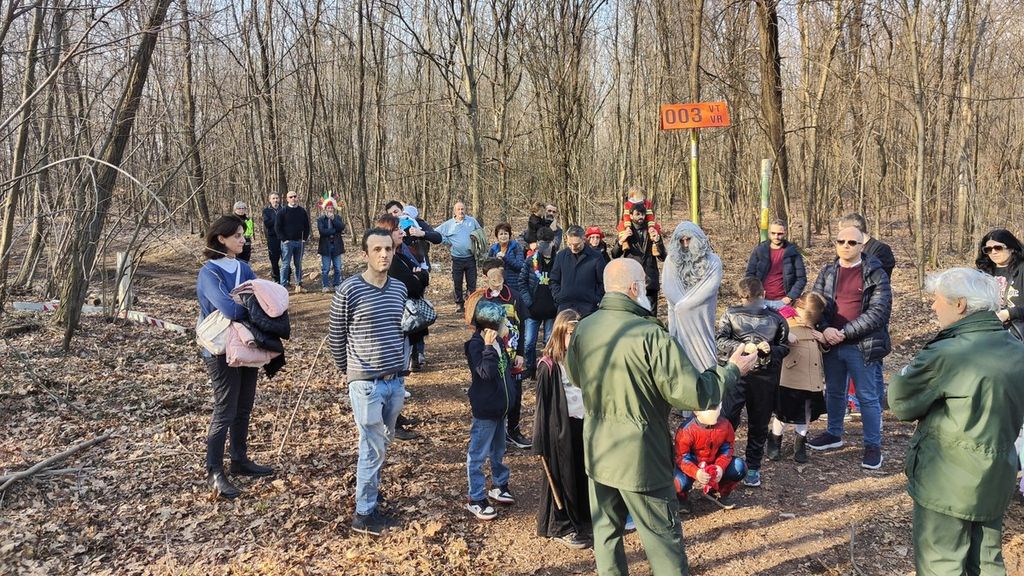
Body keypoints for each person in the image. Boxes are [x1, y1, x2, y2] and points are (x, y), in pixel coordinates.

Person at [565, 257, 756, 575]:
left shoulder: (585, 327)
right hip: (640, 455)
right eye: (643, 284)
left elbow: (575, 375)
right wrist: (732, 369)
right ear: (634, 288)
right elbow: (695, 393)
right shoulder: (650, 335)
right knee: (663, 539)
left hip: (598, 449)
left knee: (606, 534)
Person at [889, 267, 1024, 576]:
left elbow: (901, 403)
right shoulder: (1018, 350)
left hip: (946, 480)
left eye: (938, 299)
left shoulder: (947, 353)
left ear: (960, 304)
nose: (933, 306)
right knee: (987, 561)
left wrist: (907, 372)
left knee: (942, 563)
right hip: (997, 474)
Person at [328, 228, 408, 536]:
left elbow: (400, 329)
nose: (384, 254)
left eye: (388, 249)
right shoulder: (349, 290)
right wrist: (352, 373)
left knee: (381, 442)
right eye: (377, 249)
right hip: (366, 384)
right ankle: (364, 514)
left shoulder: (399, 288)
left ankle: (370, 490)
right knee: (372, 447)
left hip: (395, 382)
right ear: (365, 254)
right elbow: (336, 337)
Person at [196, 215, 273, 500]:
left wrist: (251, 305)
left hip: (246, 344)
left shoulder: (244, 267)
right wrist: (251, 306)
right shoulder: (209, 272)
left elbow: (264, 300)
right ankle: (214, 471)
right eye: (237, 235)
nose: (243, 239)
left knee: (244, 405)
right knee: (225, 408)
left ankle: (239, 459)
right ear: (221, 239)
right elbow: (229, 309)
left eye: (243, 234)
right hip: (219, 349)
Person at [806, 225, 892, 470]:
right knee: (834, 391)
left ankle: (873, 446)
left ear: (862, 245)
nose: (845, 245)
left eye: (852, 242)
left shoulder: (875, 273)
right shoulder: (827, 272)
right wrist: (825, 329)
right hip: (831, 344)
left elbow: (879, 312)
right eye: (841, 241)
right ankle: (834, 433)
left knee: (867, 396)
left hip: (862, 345)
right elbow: (816, 304)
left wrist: (844, 333)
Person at [716, 277, 789, 488]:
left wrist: (770, 349)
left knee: (758, 422)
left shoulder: (776, 319)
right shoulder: (731, 314)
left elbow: (784, 347)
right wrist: (741, 347)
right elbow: (720, 340)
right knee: (728, 420)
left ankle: (753, 467)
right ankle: (723, 463)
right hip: (736, 374)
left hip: (763, 377)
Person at [532, 309, 591, 548]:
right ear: (559, 333)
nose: (573, 339)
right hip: (559, 431)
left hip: (582, 424)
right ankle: (561, 525)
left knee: (580, 473)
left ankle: (582, 518)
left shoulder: (582, 360)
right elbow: (542, 407)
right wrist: (540, 442)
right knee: (561, 477)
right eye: (569, 334)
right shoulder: (548, 366)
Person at [374, 214, 427, 440]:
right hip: (395, 325)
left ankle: (395, 416)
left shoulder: (401, 255)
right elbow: (412, 285)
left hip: (404, 325)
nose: (402, 233)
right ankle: (390, 423)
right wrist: (419, 277)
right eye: (397, 230)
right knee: (392, 374)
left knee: (399, 374)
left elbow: (421, 276)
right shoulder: (391, 263)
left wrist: (420, 276)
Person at [464, 299, 517, 521]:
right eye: (504, 322)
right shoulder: (476, 346)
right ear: (491, 328)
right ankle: (475, 498)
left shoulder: (499, 343)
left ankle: (499, 484)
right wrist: (487, 348)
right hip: (486, 411)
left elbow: (503, 370)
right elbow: (485, 373)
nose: (507, 325)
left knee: (498, 450)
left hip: (500, 409)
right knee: (478, 454)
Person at [838, 213, 895, 418]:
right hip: (849, 316)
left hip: (871, 317)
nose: (844, 243)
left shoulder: (881, 250)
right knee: (848, 361)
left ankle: (873, 406)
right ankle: (851, 402)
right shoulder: (850, 251)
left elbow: (867, 277)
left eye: (847, 235)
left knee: (872, 361)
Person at [766, 292, 828, 464]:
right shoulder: (784, 321)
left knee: (806, 412)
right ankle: (774, 439)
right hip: (790, 380)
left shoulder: (815, 327)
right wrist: (785, 336)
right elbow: (770, 341)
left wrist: (823, 341)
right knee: (783, 414)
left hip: (812, 380)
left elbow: (820, 349)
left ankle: (800, 443)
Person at [479, 257, 530, 448]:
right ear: (486, 277)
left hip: (513, 354)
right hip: (494, 356)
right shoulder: (483, 300)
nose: (496, 279)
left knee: (515, 393)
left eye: (500, 273)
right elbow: (479, 331)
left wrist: (521, 353)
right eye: (492, 275)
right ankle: (497, 434)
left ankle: (513, 431)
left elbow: (522, 326)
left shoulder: (514, 297)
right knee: (497, 394)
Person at [662, 221, 722, 372]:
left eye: (688, 239)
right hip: (677, 316)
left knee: (704, 358)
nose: (685, 244)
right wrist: (681, 307)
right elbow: (669, 288)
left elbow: (708, 288)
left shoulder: (713, 261)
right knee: (680, 359)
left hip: (701, 314)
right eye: (681, 241)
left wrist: (684, 306)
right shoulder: (671, 260)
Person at [672, 406, 747, 513]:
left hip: (714, 463)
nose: (715, 412)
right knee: (679, 481)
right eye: (709, 409)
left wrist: (720, 467)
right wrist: (696, 472)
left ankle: (717, 491)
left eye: (716, 407)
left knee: (739, 467)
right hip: (692, 465)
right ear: (696, 411)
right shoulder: (686, 430)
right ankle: (681, 497)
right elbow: (682, 457)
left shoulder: (725, 425)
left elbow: (727, 449)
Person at [519, 227, 558, 380]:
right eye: (541, 242)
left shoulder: (558, 261)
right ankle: (530, 368)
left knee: (549, 341)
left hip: (551, 310)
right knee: (529, 342)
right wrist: (529, 303)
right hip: (533, 310)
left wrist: (557, 302)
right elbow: (522, 282)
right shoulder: (531, 261)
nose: (544, 246)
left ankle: (546, 369)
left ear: (552, 242)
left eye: (547, 242)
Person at [611, 205, 666, 313]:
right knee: (633, 314)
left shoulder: (652, 231)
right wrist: (621, 241)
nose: (641, 216)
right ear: (631, 216)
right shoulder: (625, 231)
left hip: (649, 281)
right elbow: (615, 254)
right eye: (638, 214)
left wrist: (657, 241)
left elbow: (662, 257)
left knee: (650, 315)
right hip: (632, 281)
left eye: (643, 214)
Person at [744, 218, 807, 309]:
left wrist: (791, 297)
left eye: (779, 234)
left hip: (783, 302)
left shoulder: (793, 252)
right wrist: (753, 294)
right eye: (773, 233)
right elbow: (750, 275)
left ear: (785, 233)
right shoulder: (760, 250)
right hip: (760, 300)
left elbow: (801, 278)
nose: (776, 236)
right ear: (769, 233)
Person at [975, 229, 1024, 341]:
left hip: (1017, 335)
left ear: (1011, 248)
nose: (993, 252)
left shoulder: (1021, 269)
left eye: (998, 248)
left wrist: (1009, 313)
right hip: (987, 333)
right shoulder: (981, 273)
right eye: (988, 249)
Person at [436, 201, 482, 314]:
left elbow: (480, 232)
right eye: (458, 209)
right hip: (457, 259)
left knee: (472, 283)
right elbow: (436, 233)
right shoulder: (449, 224)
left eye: (462, 209)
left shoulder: (472, 221)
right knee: (457, 283)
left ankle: (471, 304)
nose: (461, 211)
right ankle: (459, 304)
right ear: (454, 211)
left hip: (471, 258)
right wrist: (446, 241)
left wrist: (477, 238)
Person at [550, 225, 606, 317]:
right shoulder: (561, 256)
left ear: (584, 239)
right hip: (565, 307)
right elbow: (554, 280)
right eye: (570, 244)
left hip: (588, 308)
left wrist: (595, 299)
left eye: (576, 244)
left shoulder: (596, 257)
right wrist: (559, 297)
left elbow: (603, 282)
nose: (573, 248)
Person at [275, 191, 311, 292]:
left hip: (300, 242)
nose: (293, 198)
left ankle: (298, 285)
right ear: (287, 199)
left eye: (295, 196)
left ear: (297, 197)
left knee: (298, 264)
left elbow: (307, 226)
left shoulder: (302, 211)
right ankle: (283, 286)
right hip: (287, 243)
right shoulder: (282, 211)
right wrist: (284, 239)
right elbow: (277, 227)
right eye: (291, 197)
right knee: (285, 264)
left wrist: (304, 239)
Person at [316, 197, 346, 292]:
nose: (330, 210)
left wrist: (333, 220)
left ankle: (336, 284)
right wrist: (334, 230)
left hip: (337, 245)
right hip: (325, 246)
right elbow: (322, 231)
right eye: (328, 208)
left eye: (332, 208)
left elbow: (341, 227)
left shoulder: (338, 218)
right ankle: (325, 286)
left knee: (338, 268)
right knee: (325, 269)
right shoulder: (321, 219)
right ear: (325, 209)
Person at [488, 223, 526, 294]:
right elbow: (488, 267)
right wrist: (496, 261)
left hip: (514, 284)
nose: (503, 236)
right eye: (501, 234)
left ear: (509, 235)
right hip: (497, 284)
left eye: (505, 233)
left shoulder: (516, 247)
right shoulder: (493, 249)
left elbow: (520, 266)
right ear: (497, 236)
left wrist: (505, 257)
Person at [262, 193, 283, 282]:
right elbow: (267, 223)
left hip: (283, 237)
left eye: (277, 198)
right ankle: (276, 279)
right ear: (270, 200)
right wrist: (278, 218)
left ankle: (286, 279)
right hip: (272, 238)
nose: (275, 200)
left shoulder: (284, 209)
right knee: (274, 259)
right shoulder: (266, 211)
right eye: (273, 198)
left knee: (285, 260)